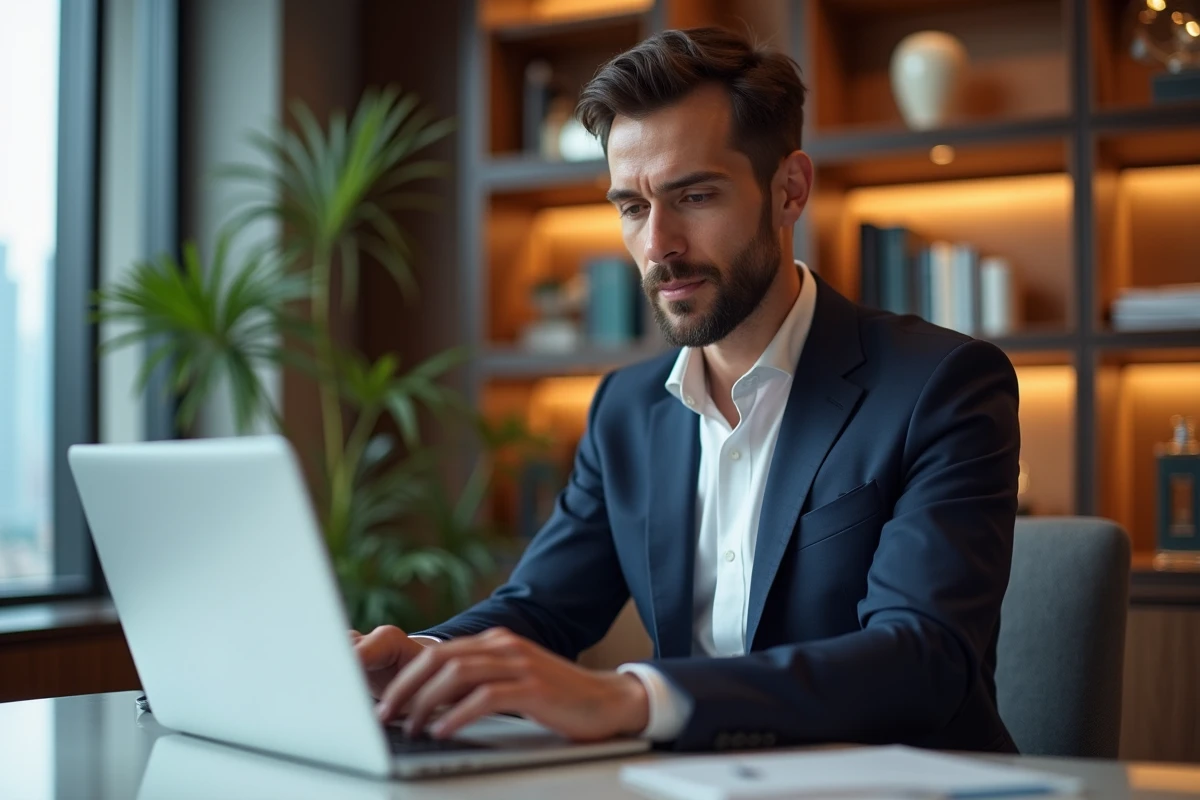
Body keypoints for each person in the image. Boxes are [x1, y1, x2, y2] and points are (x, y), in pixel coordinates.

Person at [353, 26, 1021, 754]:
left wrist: (634, 697)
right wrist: (421, 658)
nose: (658, 245)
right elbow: (541, 608)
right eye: (632, 207)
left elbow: (921, 660)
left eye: (694, 195)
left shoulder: (941, 386)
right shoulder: (626, 411)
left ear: (789, 190)